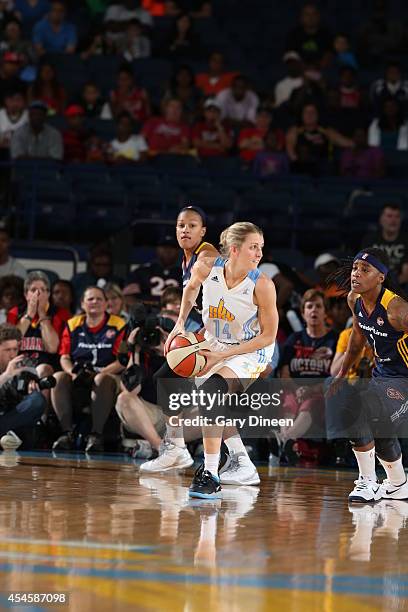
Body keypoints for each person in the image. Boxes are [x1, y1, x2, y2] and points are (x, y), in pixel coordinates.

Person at [165, 222, 279, 498]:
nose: (259, 254)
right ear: (235, 250)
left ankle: (211, 472)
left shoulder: (262, 285)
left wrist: (222, 355)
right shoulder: (207, 266)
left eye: (261, 248)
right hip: (214, 342)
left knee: (212, 392)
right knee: (207, 400)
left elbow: (268, 337)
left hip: (252, 350)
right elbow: (190, 289)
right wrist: (180, 324)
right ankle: (242, 462)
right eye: (254, 247)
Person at [139, 205, 218, 472]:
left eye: (192, 225)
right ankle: (177, 449)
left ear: (203, 231)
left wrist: (180, 324)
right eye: (181, 225)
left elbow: (204, 272)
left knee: (211, 397)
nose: (185, 230)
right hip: (212, 332)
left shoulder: (205, 254)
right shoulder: (185, 259)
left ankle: (224, 458)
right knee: (168, 379)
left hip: (230, 333)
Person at [329, 247, 408, 502]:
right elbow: (358, 336)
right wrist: (342, 372)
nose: (356, 274)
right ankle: (397, 484)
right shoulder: (355, 299)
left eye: (365, 270)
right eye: (355, 268)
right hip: (383, 376)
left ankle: (368, 482)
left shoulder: (397, 310)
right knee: (378, 423)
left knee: (358, 407)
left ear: (381, 277)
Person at [51, 286, 126, 452]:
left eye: (99, 299)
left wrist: (99, 373)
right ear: (82, 304)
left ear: (106, 304)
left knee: (101, 380)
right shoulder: (72, 324)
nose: (95, 302)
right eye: (90, 299)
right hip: (78, 374)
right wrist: (72, 373)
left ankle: (96, 435)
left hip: (108, 375)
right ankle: (67, 433)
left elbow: (122, 361)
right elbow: (64, 356)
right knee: (58, 377)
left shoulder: (119, 325)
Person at [277, 289, 337, 457]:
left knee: (310, 403)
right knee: (287, 400)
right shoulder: (293, 339)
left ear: (326, 312)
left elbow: (337, 376)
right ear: (303, 313)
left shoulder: (334, 340)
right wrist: (296, 389)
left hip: (320, 394)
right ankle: (286, 441)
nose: (314, 310)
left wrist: (312, 390)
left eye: (318, 306)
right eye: (309, 307)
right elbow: (284, 373)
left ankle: (284, 440)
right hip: (294, 390)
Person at [7, 270, 70, 376]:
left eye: (42, 290)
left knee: (43, 369)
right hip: (19, 365)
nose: (38, 294)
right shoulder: (14, 312)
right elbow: (11, 344)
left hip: (48, 368)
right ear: (26, 294)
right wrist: (29, 315)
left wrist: (42, 313)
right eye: (33, 290)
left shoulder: (60, 314)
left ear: (48, 294)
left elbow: (52, 348)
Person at [0, 323, 45, 445]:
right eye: (7, 350)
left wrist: (30, 391)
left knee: (37, 400)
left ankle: (7, 436)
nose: (12, 354)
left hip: (15, 418)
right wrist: (6, 376)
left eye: (15, 349)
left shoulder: (24, 363)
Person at [362, 203, 408, 284]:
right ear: (381, 219)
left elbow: (406, 274)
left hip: (399, 286)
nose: (393, 220)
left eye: (397, 216)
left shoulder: (406, 241)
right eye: (389, 216)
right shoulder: (370, 240)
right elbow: (364, 267)